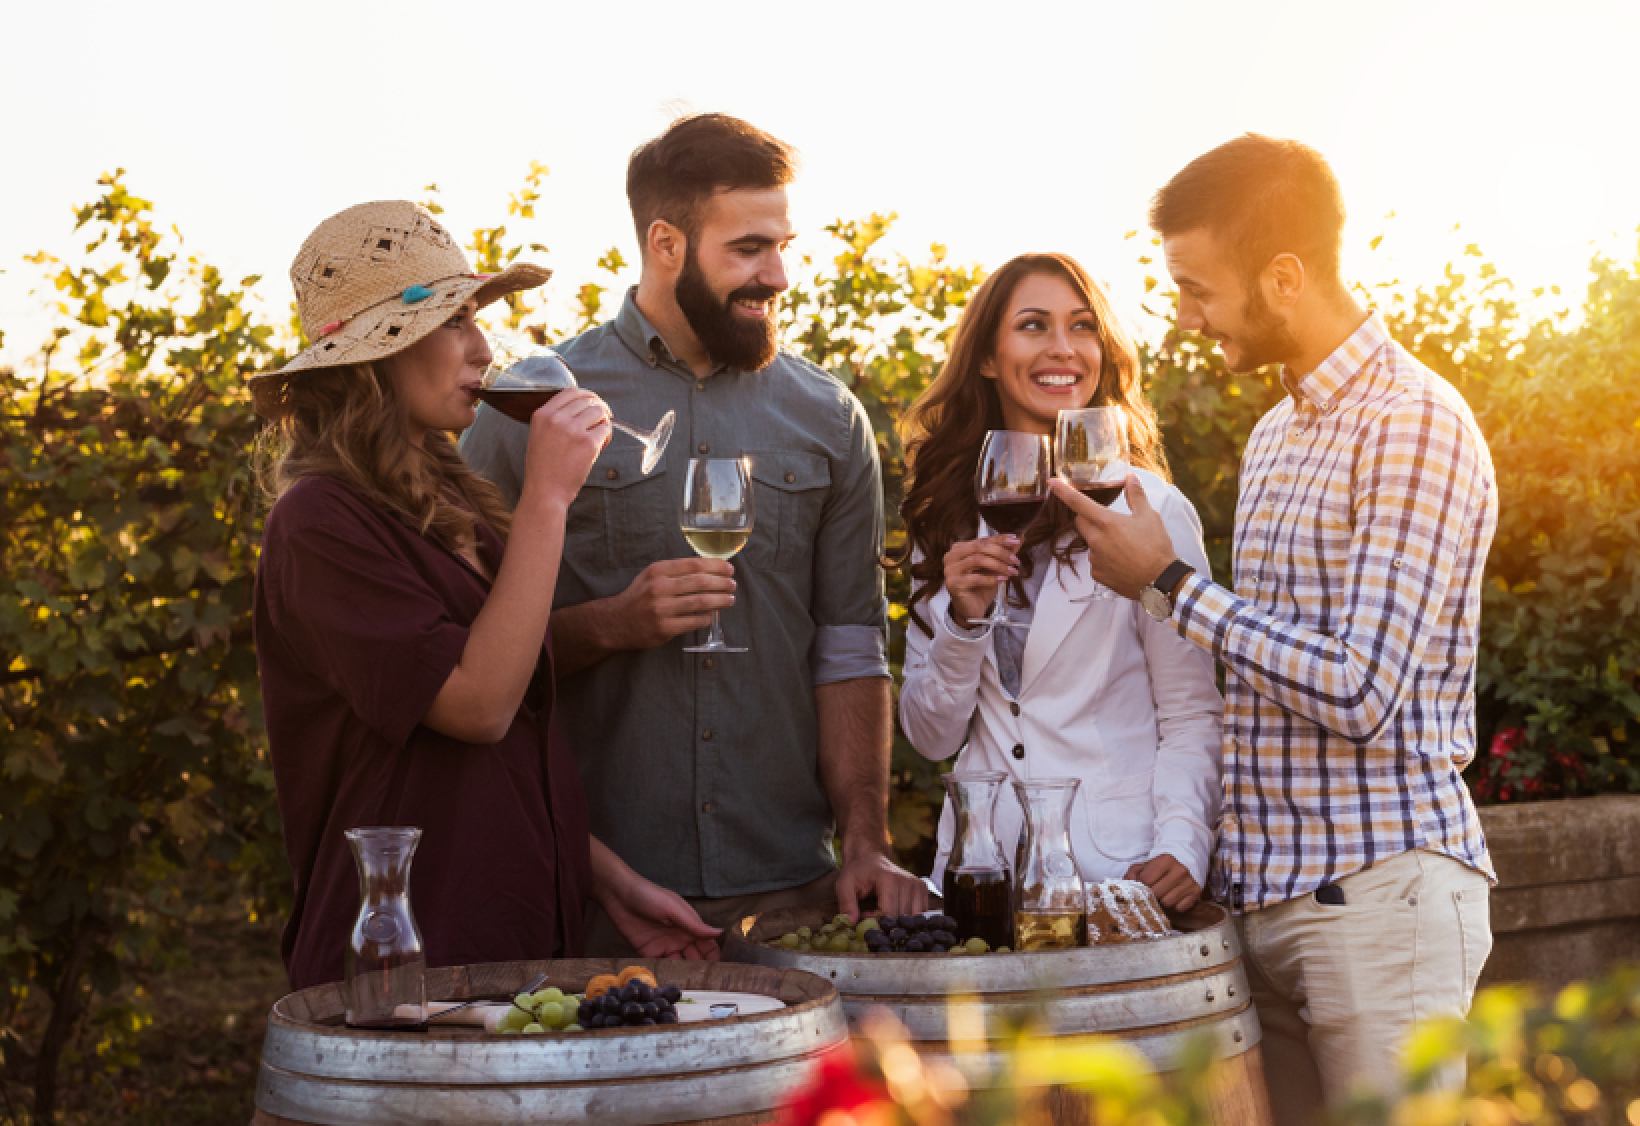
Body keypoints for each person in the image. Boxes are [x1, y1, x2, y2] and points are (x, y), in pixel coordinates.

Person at [1049, 137, 1499, 1118]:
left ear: (1283, 276)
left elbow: (1359, 687)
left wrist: (1162, 581)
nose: (1185, 314)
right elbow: (1255, 673)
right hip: (1265, 901)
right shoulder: (1275, 434)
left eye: (1197, 288)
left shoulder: (1410, 422)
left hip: (1380, 901)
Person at [460, 115, 928, 944]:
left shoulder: (830, 418)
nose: (778, 275)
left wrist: (866, 841)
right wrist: (612, 626)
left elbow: (851, 648)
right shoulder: (531, 409)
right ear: (666, 243)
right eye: (748, 248)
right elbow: (462, 661)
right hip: (594, 895)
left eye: (783, 245)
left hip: (793, 894)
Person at [252, 201, 721, 990]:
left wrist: (608, 883)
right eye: (454, 324)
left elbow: (509, 756)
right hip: (404, 964)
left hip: (518, 940)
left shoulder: (457, 505)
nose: (483, 347)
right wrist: (547, 498)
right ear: (380, 355)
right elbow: (478, 707)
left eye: (478, 321)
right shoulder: (319, 524)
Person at [896, 254, 1224, 908]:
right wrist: (962, 623)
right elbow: (930, 735)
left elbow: (1191, 711)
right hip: (977, 876)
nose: (1063, 349)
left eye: (1081, 327)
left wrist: (1184, 842)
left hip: (1120, 872)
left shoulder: (1149, 509)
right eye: (1034, 326)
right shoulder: (945, 517)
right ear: (988, 357)